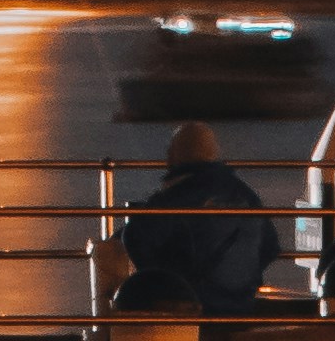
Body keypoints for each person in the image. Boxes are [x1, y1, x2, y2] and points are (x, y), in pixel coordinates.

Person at [116, 117, 276, 313]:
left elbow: (134, 237)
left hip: (193, 305)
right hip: (241, 305)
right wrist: (243, 279)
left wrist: (163, 282)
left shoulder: (177, 196)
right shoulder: (245, 194)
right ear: (214, 154)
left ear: (173, 156)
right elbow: (271, 246)